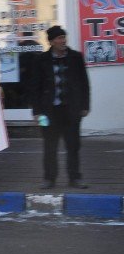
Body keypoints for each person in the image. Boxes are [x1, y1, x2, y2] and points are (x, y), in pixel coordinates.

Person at [28, 25, 91, 189]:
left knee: (73, 146)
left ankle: (75, 178)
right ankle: (49, 178)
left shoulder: (76, 57)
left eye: (64, 37)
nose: (63, 41)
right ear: (51, 42)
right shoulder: (41, 60)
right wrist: (36, 112)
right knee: (49, 146)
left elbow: (84, 83)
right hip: (48, 113)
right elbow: (35, 87)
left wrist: (84, 105)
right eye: (59, 38)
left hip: (72, 110)